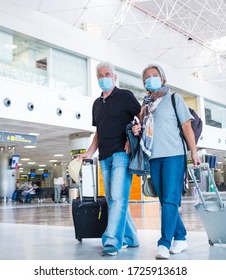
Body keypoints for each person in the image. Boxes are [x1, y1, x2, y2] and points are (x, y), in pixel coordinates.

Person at [132, 63, 199, 259]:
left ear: (162, 78)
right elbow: (142, 130)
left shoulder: (173, 98)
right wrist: (137, 129)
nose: (150, 78)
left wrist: (193, 151)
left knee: (170, 199)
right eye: (146, 77)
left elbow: (187, 126)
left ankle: (164, 243)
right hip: (154, 157)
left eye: (154, 75)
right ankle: (181, 237)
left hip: (174, 155)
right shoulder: (145, 106)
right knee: (165, 200)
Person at [81, 61, 141, 256]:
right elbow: (98, 132)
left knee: (117, 198)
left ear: (115, 77)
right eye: (100, 76)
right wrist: (90, 152)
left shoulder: (125, 96)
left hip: (122, 155)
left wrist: (133, 139)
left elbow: (142, 117)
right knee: (113, 199)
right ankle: (131, 238)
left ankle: (112, 242)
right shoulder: (97, 104)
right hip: (104, 157)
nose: (103, 78)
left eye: (107, 74)